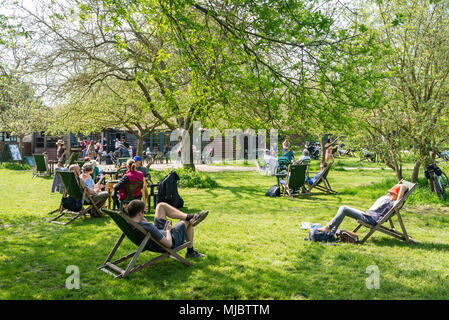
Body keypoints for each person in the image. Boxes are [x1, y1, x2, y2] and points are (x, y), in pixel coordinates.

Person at [127, 199, 208, 259]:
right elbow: (169, 244)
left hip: (156, 234)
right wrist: (168, 230)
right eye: (143, 212)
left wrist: (143, 220)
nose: (144, 214)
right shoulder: (148, 226)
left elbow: (148, 230)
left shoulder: (129, 222)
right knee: (187, 221)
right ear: (140, 213)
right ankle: (190, 252)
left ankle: (191, 216)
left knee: (161, 205)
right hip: (170, 239)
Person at [317, 183, 408, 233]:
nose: (389, 194)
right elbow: (394, 193)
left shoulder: (395, 203)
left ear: (397, 195)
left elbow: (398, 202)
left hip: (371, 219)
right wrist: (398, 186)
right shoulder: (390, 198)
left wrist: (402, 188)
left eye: (391, 193)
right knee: (343, 209)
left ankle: (329, 228)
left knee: (344, 208)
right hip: (367, 215)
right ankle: (331, 231)